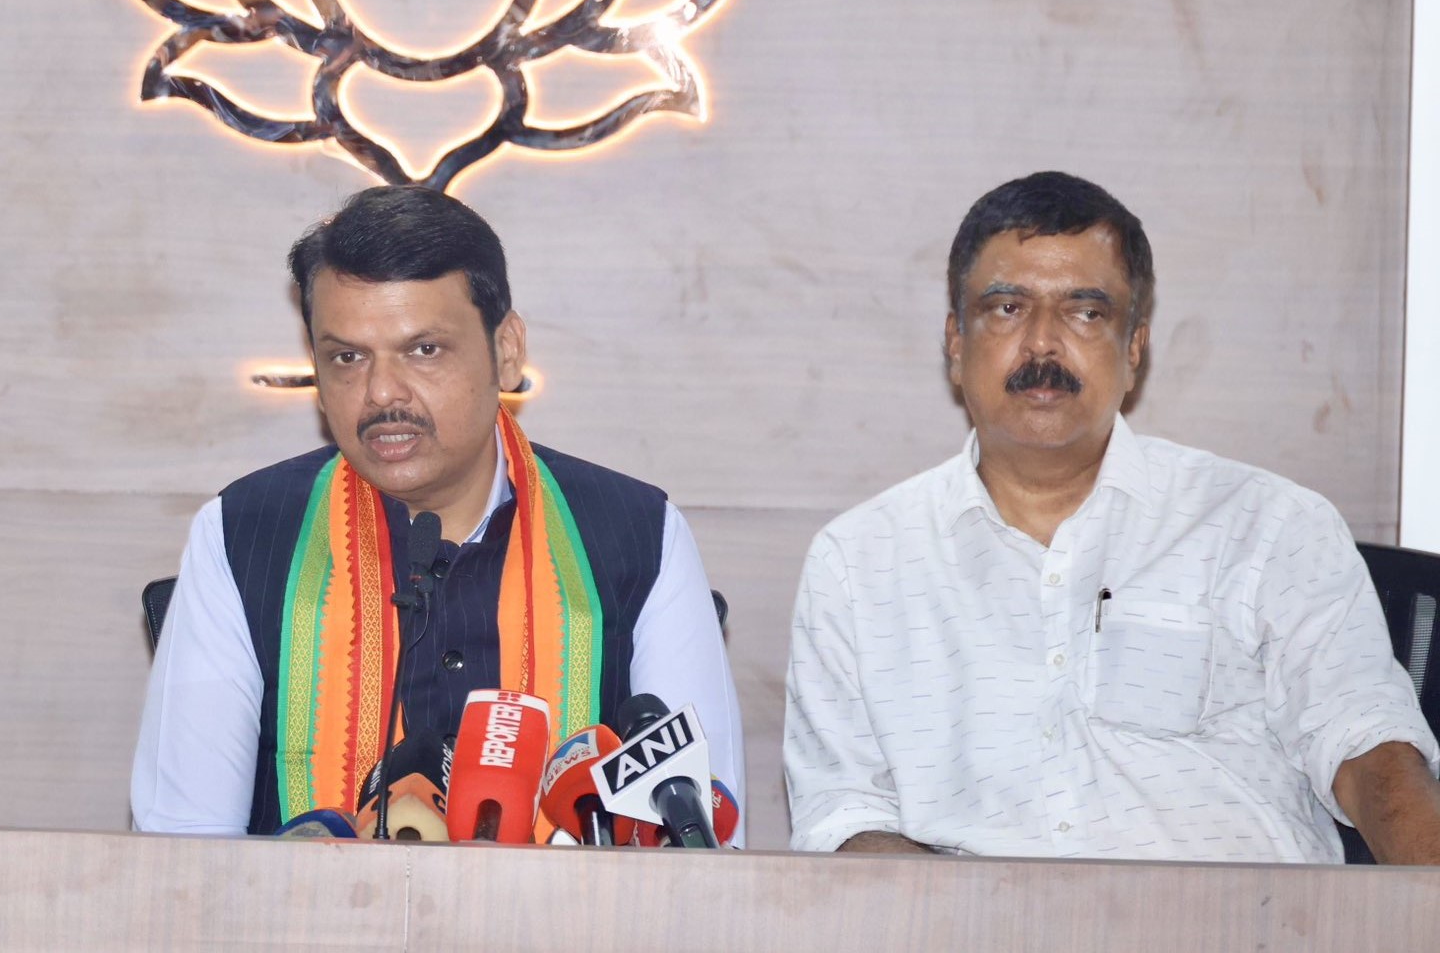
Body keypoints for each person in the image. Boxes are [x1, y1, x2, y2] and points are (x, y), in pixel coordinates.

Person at [783, 170, 1440, 863]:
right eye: (1007, 308)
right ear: (955, 340)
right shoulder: (858, 562)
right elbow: (842, 817)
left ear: (1133, 348)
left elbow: (1369, 746)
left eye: (1085, 312)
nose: (1042, 345)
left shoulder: (1271, 526)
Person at [131, 185, 744, 840]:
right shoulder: (243, 533)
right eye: (347, 357)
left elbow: (705, 846)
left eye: (424, 350)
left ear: (506, 350)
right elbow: (182, 855)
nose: (381, 393)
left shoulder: (637, 534)